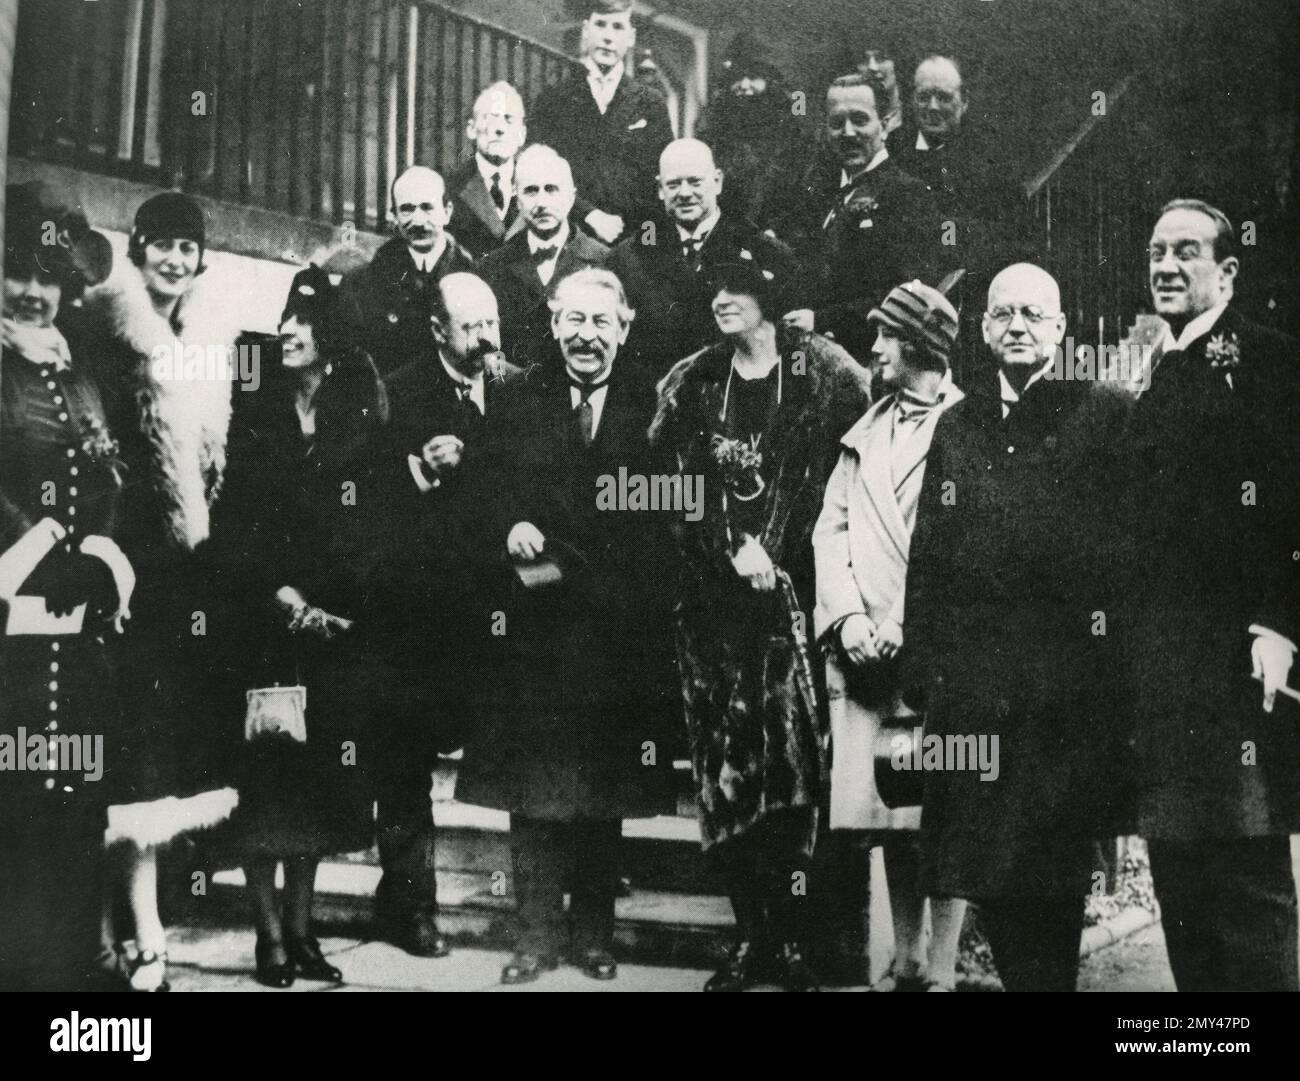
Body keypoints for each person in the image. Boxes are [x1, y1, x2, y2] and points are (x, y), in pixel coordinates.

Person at [905, 263, 1131, 991]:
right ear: (982, 330)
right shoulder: (958, 425)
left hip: (1061, 702)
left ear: (1061, 329)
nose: (1018, 327)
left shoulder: (1101, 412)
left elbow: (1121, 560)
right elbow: (930, 551)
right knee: (987, 870)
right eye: (1003, 314)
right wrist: (922, 666)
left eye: (1035, 314)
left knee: (1052, 880)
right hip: (974, 694)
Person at [649, 261, 873, 991]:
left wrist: (774, 552)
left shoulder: (825, 376)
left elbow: (843, 485)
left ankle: (803, 944)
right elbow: (672, 488)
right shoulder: (694, 382)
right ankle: (752, 939)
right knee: (728, 782)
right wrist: (724, 544)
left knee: (797, 781)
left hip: (797, 612)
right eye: (712, 290)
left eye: (736, 289)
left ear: (768, 298)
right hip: (713, 616)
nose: (721, 300)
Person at [456, 267, 677, 984]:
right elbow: (483, 487)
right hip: (535, 631)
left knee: (599, 793)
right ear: (552, 325)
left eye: (601, 322)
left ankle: (591, 937)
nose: (587, 336)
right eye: (573, 322)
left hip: (614, 633)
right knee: (533, 795)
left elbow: (674, 501)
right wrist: (512, 522)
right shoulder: (519, 397)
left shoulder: (653, 404)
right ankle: (534, 938)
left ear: (626, 325)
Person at [1118, 199, 1300, 991]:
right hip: (1159, 673)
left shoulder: (1266, 360)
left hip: (1236, 666)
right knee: (1181, 882)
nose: (1165, 265)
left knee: (1246, 882)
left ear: (1227, 270)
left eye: (1186, 251)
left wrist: (1278, 622)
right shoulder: (1153, 370)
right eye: (1157, 251)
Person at [81, 191, 241, 992]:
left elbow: (217, 462)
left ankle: (145, 922)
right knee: (118, 753)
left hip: (181, 577)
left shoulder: (208, 337)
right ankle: (129, 932)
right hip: (116, 563)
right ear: (137, 251)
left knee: (157, 750)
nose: (175, 261)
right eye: (162, 247)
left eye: (188, 248)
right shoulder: (103, 330)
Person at [210, 266, 387, 988]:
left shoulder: (355, 408)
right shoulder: (254, 405)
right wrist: (282, 596)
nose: (288, 331)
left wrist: (336, 603)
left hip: (331, 629)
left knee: (316, 788)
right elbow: (232, 523)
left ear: (331, 334)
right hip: (262, 624)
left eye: (303, 322)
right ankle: (268, 937)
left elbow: (370, 515)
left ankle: (306, 931)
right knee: (264, 783)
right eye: (284, 319)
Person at [811, 280, 968, 992]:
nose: (872, 350)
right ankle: (904, 959)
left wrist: (906, 623)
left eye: (884, 337)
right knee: (893, 809)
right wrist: (848, 618)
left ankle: (940, 965)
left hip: (937, 654)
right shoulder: (864, 432)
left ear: (920, 345)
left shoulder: (971, 427)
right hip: (869, 655)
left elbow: (970, 546)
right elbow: (831, 529)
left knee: (949, 814)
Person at [365, 272, 526, 959]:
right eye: (470, 326)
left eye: (492, 322)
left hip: (498, 611)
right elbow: (362, 496)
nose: (486, 338)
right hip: (418, 615)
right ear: (437, 330)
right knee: (404, 765)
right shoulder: (394, 391)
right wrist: (418, 472)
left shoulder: (521, 388)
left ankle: (539, 912)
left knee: (524, 750)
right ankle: (410, 906)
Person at [0, 184, 129, 991]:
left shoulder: (76, 374)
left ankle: (76, 961)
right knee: (14, 786)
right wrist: (42, 541)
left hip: (75, 620)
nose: (33, 292)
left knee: (73, 785)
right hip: (11, 620)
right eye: (17, 271)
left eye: (49, 277)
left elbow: (110, 475)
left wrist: (102, 555)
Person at [783, 75, 945, 366]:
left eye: (860, 120)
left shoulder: (908, 194)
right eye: (837, 123)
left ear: (885, 124)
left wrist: (822, 320)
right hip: (814, 360)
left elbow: (908, 291)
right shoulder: (821, 195)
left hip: (875, 360)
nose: (847, 133)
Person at [609, 138, 804, 377]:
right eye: (673, 184)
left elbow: (794, 344)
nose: (684, 193)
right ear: (660, 189)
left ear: (718, 181)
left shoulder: (767, 254)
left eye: (694, 182)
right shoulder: (628, 258)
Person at [527, 0, 674, 245]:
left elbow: (660, 179)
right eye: (600, 25)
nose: (607, 37)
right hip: (569, 236)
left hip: (632, 241)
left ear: (631, 38)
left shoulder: (651, 103)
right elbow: (539, 170)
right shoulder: (554, 99)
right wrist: (589, 214)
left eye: (617, 27)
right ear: (586, 31)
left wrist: (648, 242)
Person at [478, 144, 609, 372]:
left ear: (571, 198)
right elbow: (486, 348)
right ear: (517, 200)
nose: (541, 203)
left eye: (551, 189)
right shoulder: (491, 267)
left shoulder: (604, 263)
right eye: (531, 191)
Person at [338, 165, 475, 377]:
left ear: (447, 212)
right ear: (394, 216)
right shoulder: (361, 285)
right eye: (407, 209)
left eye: (427, 208)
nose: (418, 221)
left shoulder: (477, 279)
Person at [694, 33, 810, 233]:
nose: (744, 86)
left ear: (769, 82)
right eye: (737, 78)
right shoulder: (712, 133)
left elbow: (801, 193)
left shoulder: (792, 134)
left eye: (753, 77)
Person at [446, 82, 529, 260]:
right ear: (471, 129)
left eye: (509, 119)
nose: (499, 129)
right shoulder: (449, 187)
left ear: (521, 134)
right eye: (489, 118)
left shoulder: (537, 186)